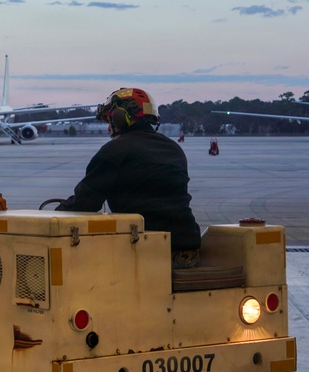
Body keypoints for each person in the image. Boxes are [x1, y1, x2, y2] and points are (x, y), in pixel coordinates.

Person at [55, 87, 201, 269]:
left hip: (148, 250)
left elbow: (85, 203)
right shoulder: (174, 149)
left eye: (109, 120)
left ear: (120, 117)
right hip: (188, 249)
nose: (109, 128)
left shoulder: (115, 150)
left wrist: (55, 214)